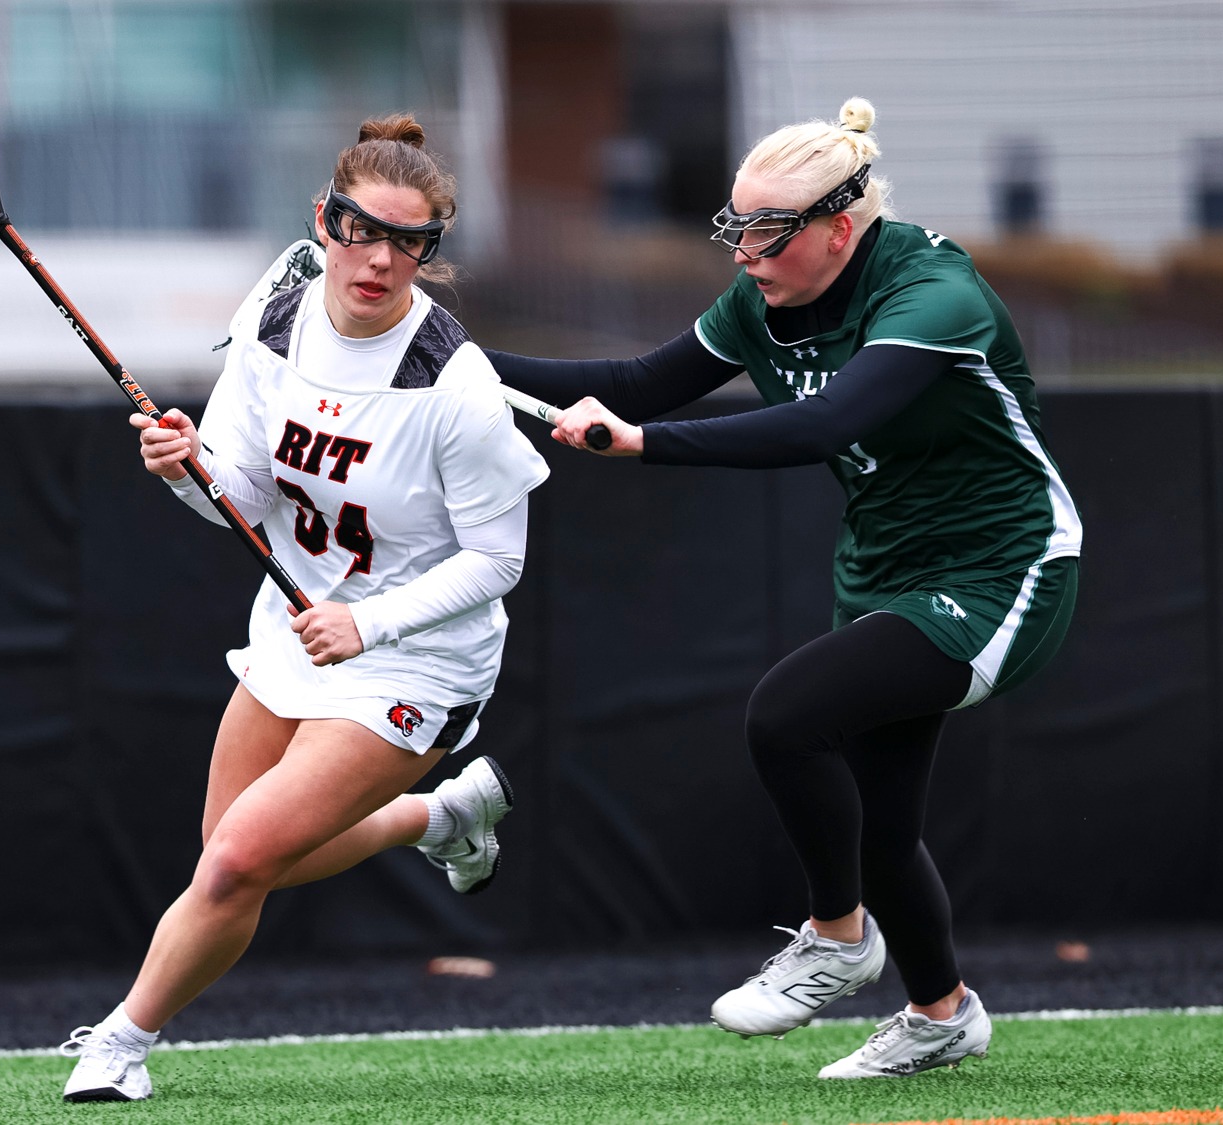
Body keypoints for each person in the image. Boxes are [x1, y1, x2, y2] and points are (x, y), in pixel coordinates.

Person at [488, 97, 1080, 1079]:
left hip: (1001, 570)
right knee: (883, 829)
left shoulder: (931, 289)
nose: (742, 252)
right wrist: (436, 352)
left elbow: (820, 426)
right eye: (734, 225)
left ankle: (836, 937)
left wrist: (642, 449)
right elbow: (635, 380)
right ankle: (940, 1013)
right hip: (882, 569)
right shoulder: (758, 299)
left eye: (764, 231)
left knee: (785, 714)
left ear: (837, 230)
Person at [59, 114, 550, 1102]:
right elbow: (237, 499)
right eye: (357, 230)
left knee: (238, 859)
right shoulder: (272, 326)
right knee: (231, 859)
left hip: (417, 661)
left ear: (429, 250)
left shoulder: (452, 384)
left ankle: (119, 1043)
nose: (375, 259)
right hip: (292, 631)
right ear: (320, 221)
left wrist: (367, 625)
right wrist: (179, 469)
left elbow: (500, 560)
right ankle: (436, 818)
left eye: (404, 241)